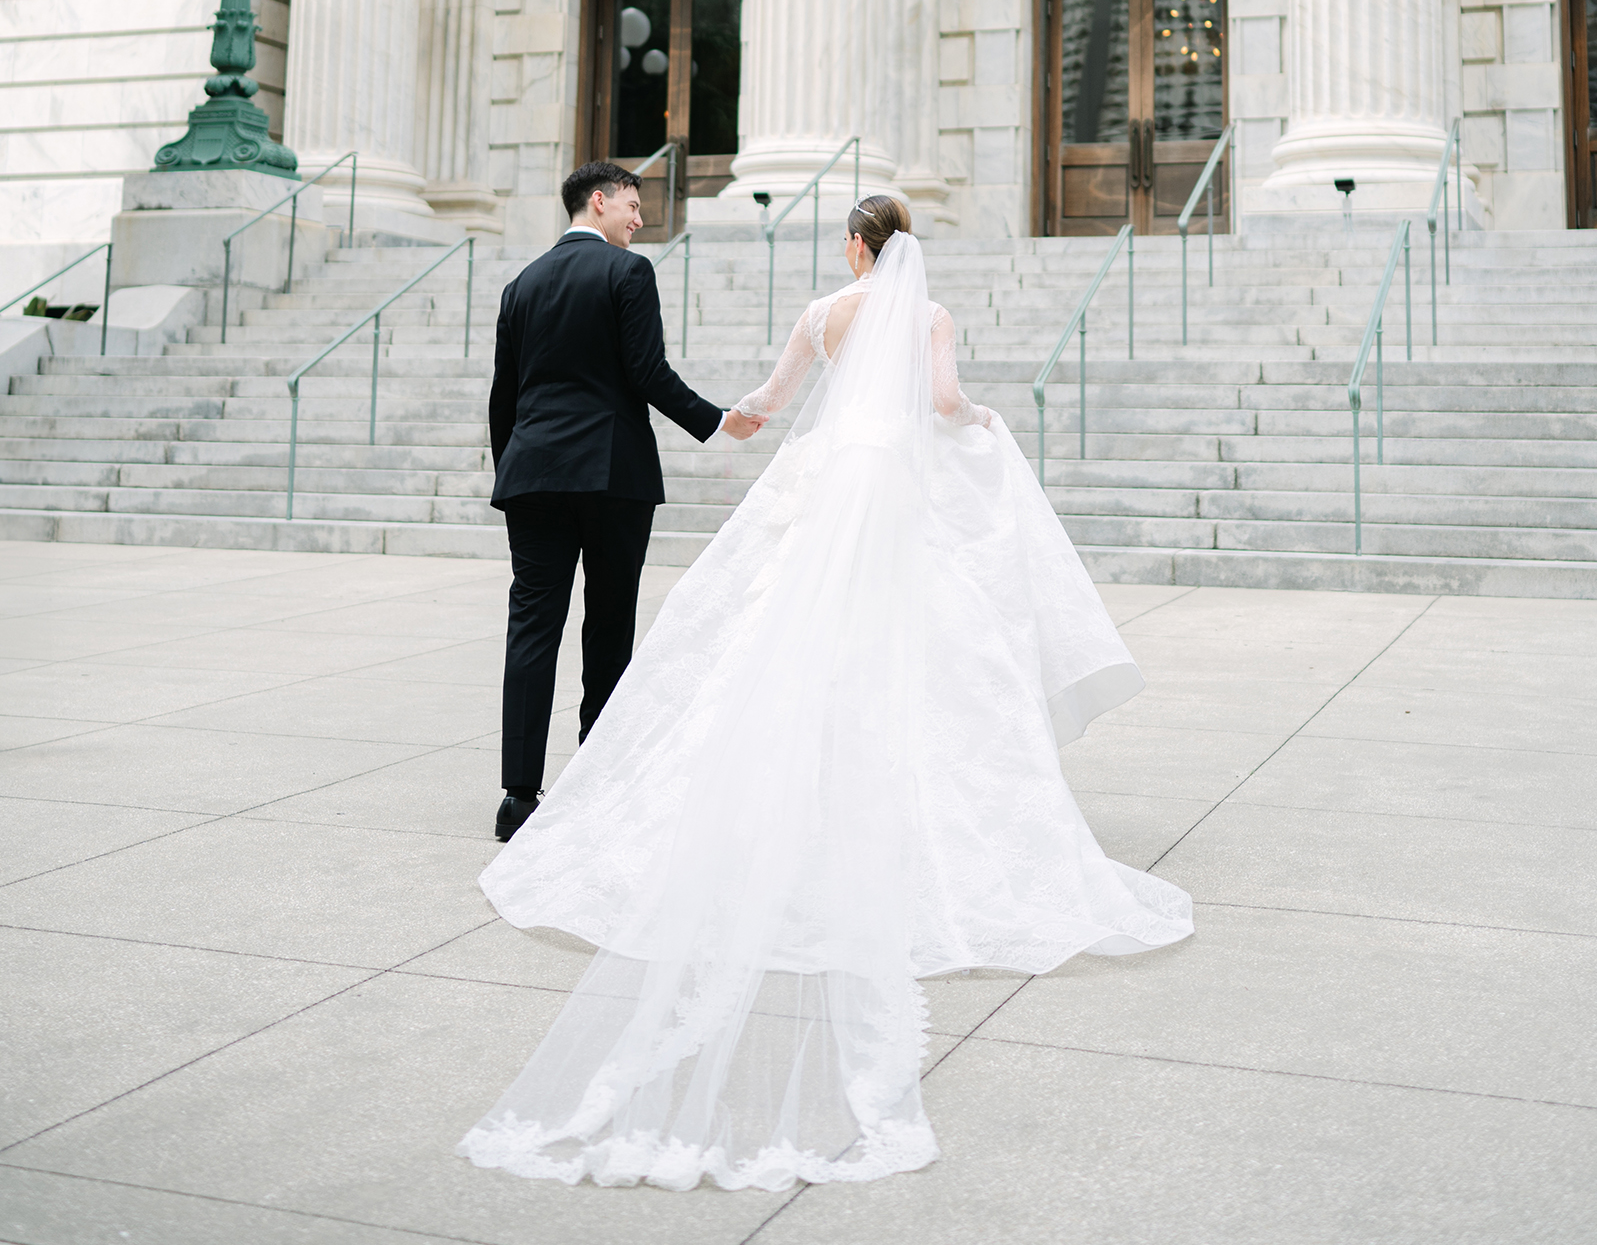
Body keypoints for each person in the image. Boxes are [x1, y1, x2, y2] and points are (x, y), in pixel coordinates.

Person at [461, 194, 1193, 1192]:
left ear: (855, 248)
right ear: (902, 254)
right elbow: (942, 406)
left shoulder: (820, 312)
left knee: (764, 643)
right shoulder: (928, 319)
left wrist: (739, 418)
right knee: (921, 654)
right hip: (897, 492)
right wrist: (982, 419)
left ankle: (670, 805)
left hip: (813, 485)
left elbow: (771, 392)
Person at [486, 159, 766, 843]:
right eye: (633, 207)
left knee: (532, 629)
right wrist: (714, 419)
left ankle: (517, 798)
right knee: (608, 625)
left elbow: (503, 397)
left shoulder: (519, 285)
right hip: (611, 475)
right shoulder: (627, 272)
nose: (640, 220)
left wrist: (512, 471)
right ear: (599, 201)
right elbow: (646, 372)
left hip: (531, 476)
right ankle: (597, 782)